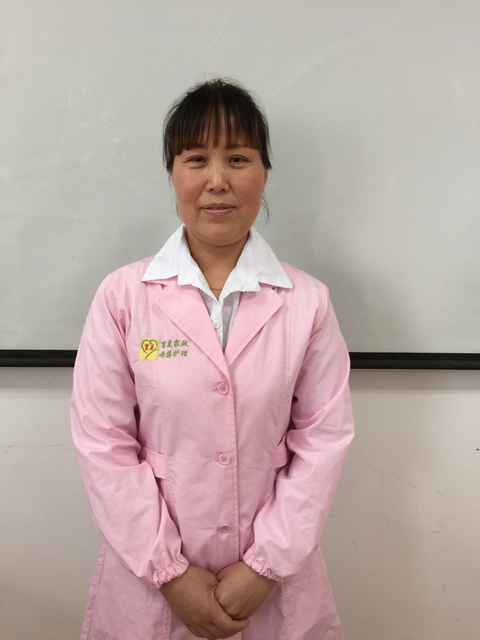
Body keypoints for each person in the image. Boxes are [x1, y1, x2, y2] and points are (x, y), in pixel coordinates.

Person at [71, 77, 354, 640]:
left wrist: (265, 566)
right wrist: (170, 573)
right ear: (173, 173)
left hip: (272, 586)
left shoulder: (308, 302)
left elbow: (323, 442)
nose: (217, 180)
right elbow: (103, 443)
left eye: (238, 158)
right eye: (196, 158)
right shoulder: (123, 296)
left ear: (264, 172)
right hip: (150, 587)